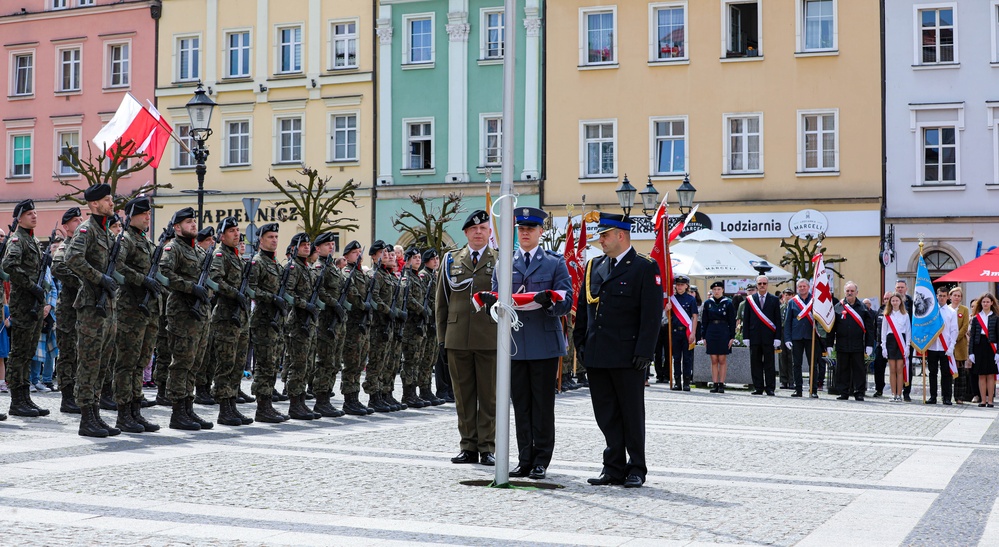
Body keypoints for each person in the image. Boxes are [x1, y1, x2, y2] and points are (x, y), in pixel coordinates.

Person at [573, 213, 659, 488]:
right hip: (598, 354)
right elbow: (585, 310)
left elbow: (651, 315)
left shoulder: (644, 267)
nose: (600, 240)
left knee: (632, 413)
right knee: (606, 414)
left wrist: (645, 351)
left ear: (621, 235)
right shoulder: (594, 266)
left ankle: (636, 467)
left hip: (628, 356)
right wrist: (581, 343)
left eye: (605, 235)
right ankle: (613, 467)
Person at [486, 207, 572, 480]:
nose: (525, 233)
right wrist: (491, 303)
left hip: (544, 343)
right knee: (520, 405)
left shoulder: (554, 263)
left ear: (540, 232)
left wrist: (552, 302)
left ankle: (541, 460)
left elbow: (567, 301)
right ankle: (524, 458)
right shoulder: (504, 263)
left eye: (530, 229)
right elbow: (496, 296)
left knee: (542, 406)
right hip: (513, 343)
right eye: (521, 229)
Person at [437, 210, 498, 466]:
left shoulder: (501, 259)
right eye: (473, 229)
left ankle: (487, 448)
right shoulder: (451, 260)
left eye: (483, 228)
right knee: (463, 396)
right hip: (458, 337)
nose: (478, 232)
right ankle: (468, 446)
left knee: (489, 395)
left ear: (489, 232)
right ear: (465, 233)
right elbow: (441, 302)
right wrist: (442, 339)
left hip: (490, 337)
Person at [64, 186, 119, 435]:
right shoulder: (86, 229)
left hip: (107, 305)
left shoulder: (106, 232)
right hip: (90, 306)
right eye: (107, 200)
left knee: (102, 363)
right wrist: (99, 278)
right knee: (88, 362)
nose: (112, 203)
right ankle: (86, 418)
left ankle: (95, 413)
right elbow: (72, 259)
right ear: (94, 204)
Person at [160, 207, 215, 431]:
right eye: (188, 222)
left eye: (194, 221)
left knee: (195, 363)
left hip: (200, 314)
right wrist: (190, 287)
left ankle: (188, 407)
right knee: (181, 362)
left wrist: (206, 292)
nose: (193, 225)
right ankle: (177, 411)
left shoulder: (200, 252)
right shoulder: (173, 248)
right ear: (177, 227)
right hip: (182, 313)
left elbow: (210, 280)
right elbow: (164, 274)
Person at [112, 196, 161, 433]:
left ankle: (135, 410)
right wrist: (143, 280)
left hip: (148, 310)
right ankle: (123, 413)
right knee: (127, 362)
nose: (148, 217)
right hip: (130, 309)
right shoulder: (126, 239)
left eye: (149, 214)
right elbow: (117, 266)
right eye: (144, 214)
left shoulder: (146, 241)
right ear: (132, 216)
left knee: (141, 362)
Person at [2, 199, 48, 420]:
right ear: (19, 218)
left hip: (35, 304)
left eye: (35, 212)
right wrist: (31, 285)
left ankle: (25, 396)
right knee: (19, 353)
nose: (34, 216)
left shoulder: (33, 240)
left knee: (29, 352)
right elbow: (8, 265)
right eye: (29, 213)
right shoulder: (17, 239)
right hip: (23, 303)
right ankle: (16, 400)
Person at [207, 217, 254, 426]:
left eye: (237, 231)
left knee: (237, 364)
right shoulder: (220, 255)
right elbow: (215, 280)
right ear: (222, 235)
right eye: (232, 231)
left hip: (240, 318)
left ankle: (232, 404)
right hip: (226, 317)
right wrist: (235, 293)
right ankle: (224, 408)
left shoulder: (236, 257)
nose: (236, 234)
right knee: (226, 363)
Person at [247, 223, 290, 423]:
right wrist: (272, 298)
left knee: (272, 364)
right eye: (270, 237)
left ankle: (268, 404)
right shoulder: (258, 262)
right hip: (264, 321)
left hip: (276, 321)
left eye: (276, 236)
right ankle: (262, 407)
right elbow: (251, 289)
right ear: (261, 240)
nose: (274, 240)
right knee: (264, 365)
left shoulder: (275, 264)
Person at [282, 232, 321, 420]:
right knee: (297, 364)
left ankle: (301, 400)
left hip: (309, 322)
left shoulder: (307, 268)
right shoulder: (293, 267)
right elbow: (288, 294)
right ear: (294, 248)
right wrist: (306, 305)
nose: (307, 247)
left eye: (308, 244)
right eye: (303, 245)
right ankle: (294, 403)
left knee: (306, 364)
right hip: (297, 321)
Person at [312, 231, 349, 418]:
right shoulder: (319, 267)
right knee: (325, 361)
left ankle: (326, 397)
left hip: (338, 322)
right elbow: (319, 291)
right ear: (318, 248)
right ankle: (321, 400)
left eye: (332, 244)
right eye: (327, 245)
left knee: (334, 362)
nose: (331, 247)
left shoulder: (333, 267)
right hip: (326, 320)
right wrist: (334, 303)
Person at [362, 241, 399, 413]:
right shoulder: (375, 275)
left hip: (387, 323)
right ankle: (373, 396)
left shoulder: (386, 275)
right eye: (383, 253)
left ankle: (384, 393)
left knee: (385, 361)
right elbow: (374, 298)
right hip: (377, 324)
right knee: (376, 361)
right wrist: (387, 310)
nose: (387, 255)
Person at [52, 207, 83, 413]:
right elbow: (57, 267)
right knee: (68, 354)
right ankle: (66, 396)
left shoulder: (82, 245)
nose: (80, 222)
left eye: (81, 218)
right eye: (75, 220)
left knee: (80, 353)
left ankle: (78, 394)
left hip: (82, 308)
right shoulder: (66, 245)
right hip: (68, 309)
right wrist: (81, 281)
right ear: (66, 226)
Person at [339, 240, 375, 416]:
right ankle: (348, 399)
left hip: (364, 323)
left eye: (360, 252)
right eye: (355, 253)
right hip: (353, 323)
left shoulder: (362, 274)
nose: (359, 255)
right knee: (351, 362)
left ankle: (355, 397)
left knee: (360, 362)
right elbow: (352, 295)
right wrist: (364, 304)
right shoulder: (347, 273)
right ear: (346, 257)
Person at [830, 282, 875, 401]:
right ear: (845, 292)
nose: (850, 293)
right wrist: (829, 344)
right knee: (842, 369)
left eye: (852, 291)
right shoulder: (838, 307)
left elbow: (870, 328)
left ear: (857, 293)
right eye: (848, 291)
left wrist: (869, 344)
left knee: (859, 370)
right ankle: (843, 392)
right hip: (842, 344)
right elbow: (832, 327)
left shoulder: (863, 308)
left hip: (858, 345)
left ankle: (859, 392)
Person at [400, 247, 431, 409]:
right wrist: (422, 309)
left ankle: (414, 392)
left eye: (419, 257)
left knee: (418, 359)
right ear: (408, 260)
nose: (418, 260)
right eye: (415, 258)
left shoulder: (417, 277)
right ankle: (408, 393)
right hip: (411, 325)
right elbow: (409, 299)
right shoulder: (407, 278)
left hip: (420, 325)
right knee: (410, 360)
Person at [742, 275, 782, 396]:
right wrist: (746, 337)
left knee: (769, 364)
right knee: (755, 363)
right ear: (757, 285)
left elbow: (778, 320)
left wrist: (777, 337)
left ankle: (770, 388)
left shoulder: (774, 299)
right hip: (754, 337)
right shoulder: (750, 300)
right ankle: (758, 387)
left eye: (764, 283)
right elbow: (746, 319)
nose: (762, 285)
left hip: (769, 337)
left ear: (767, 284)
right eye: (760, 284)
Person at [783, 279, 817, 398]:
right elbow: (788, 322)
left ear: (808, 287)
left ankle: (813, 390)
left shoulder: (815, 300)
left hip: (810, 336)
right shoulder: (792, 302)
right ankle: (798, 389)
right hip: (796, 337)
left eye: (804, 286)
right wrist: (787, 338)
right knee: (796, 364)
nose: (802, 288)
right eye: (800, 286)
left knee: (812, 364)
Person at [701, 281, 736, 393]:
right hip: (711, 330)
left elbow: (732, 320)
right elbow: (704, 320)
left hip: (723, 330)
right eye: (714, 290)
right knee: (713, 359)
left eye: (719, 289)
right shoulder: (708, 303)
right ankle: (715, 383)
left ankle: (721, 383)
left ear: (722, 290)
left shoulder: (728, 303)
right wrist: (703, 336)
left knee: (722, 358)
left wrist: (732, 336)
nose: (716, 291)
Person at [925, 286, 958, 405]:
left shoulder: (952, 312)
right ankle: (933, 396)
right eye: (940, 296)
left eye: (944, 296)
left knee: (946, 373)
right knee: (932, 372)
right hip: (933, 346)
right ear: (936, 296)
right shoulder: (930, 311)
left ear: (948, 297)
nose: (942, 298)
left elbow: (954, 330)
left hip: (946, 347)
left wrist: (951, 346)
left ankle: (947, 397)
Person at [666, 275, 698, 391]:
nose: (679, 287)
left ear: (686, 286)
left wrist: (693, 332)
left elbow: (695, 317)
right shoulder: (672, 299)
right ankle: (677, 382)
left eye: (682, 285)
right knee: (676, 358)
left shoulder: (691, 299)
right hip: (675, 332)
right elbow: (669, 317)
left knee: (687, 358)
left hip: (687, 332)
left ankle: (686, 382)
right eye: (678, 285)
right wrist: (667, 310)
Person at [969, 293, 999, 408]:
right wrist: (971, 352)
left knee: (990, 375)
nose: (985, 304)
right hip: (979, 346)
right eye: (983, 302)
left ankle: (990, 400)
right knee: (981, 375)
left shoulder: (996, 318)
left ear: (992, 303)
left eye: (987, 302)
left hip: (991, 346)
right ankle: (982, 400)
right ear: (981, 303)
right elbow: (972, 337)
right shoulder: (976, 318)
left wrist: (998, 352)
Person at [881, 293, 910, 402]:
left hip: (901, 341)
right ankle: (893, 394)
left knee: (899, 369)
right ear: (890, 302)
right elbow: (883, 332)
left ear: (900, 302)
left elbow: (908, 331)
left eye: (896, 300)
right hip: (891, 341)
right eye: (892, 301)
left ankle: (899, 394)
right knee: (892, 369)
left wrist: (907, 346)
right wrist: (883, 346)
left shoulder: (905, 315)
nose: (895, 302)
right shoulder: (887, 315)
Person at [949, 287, 971, 404]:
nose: (956, 297)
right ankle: (947, 395)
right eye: (955, 295)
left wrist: (955, 337)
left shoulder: (964, 310)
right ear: (950, 296)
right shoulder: (946, 309)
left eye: (959, 296)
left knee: (960, 372)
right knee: (948, 372)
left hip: (959, 344)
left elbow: (965, 326)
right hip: (947, 344)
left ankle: (960, 396)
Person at [896, 280, 916, 402]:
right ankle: (896, 391)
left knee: (907, 365)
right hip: (894, 339)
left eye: (902, 287)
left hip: (908, 338)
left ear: (906, 289)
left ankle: (906, 392)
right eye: (898, 287)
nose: (900, 289)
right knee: (894, 367)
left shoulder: (911, 303)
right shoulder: (892, 301)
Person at [871, 292, 891, 398]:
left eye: (888, 298)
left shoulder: (896, 311)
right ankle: (879, 389)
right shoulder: (879, 311)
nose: (886, 301)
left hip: (893, 345)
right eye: (885, 299)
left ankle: (897, 390)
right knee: (878, 367)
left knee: (895, 368)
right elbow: (875, 328)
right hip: (880, 344)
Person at [778, 288, 794, 390]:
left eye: (789, 294)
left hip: (792, 333)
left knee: (791, 357)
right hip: (782, 332)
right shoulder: (781, 308)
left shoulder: (794, 307)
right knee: (782, 357)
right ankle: (783, 380)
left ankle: (792, 381)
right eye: (785, 294)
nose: (787, 296)